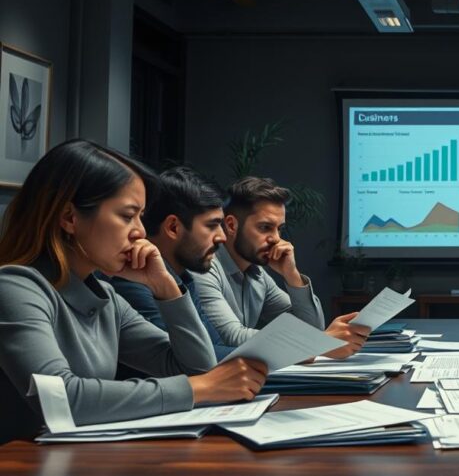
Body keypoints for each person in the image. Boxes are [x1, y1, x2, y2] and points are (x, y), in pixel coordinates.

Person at [0, 140, 268, 443]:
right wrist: (198, 389)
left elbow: (197, 367)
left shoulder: (106, 298)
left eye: (141, 216)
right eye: (128, 216)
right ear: (69, 217)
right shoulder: (14, 287)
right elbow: (62, 398)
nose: (140, 231)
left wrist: (165, 288)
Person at [194, 177, 367, 358]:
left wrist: (292, 276)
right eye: (265, 227)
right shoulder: (204, 268)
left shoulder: (257, 273)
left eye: (279, 229)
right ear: (231, 225)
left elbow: (312, 328)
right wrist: (320, 342)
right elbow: (231, 338)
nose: (276, 239)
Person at [108, 166, 234, 360]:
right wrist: (271, 358)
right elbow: (189, 360)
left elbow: (213, 346)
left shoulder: (184, 277)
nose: (222, 237)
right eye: (212, 225)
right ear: (173, 227)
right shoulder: (130, 281)